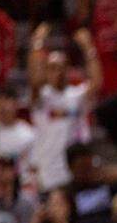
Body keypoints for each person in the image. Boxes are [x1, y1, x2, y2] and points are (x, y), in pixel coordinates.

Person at [28, 25, 101, 191]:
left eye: (62, 67)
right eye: (53, 68)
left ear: (68, 70)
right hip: (48, 167)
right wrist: (37, 43)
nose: (58, 72)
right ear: (46, 71)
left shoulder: (77, 95)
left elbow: (96, 83)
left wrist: (88, 47)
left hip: (76, 169)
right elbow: (34, 78)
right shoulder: (42, 96)